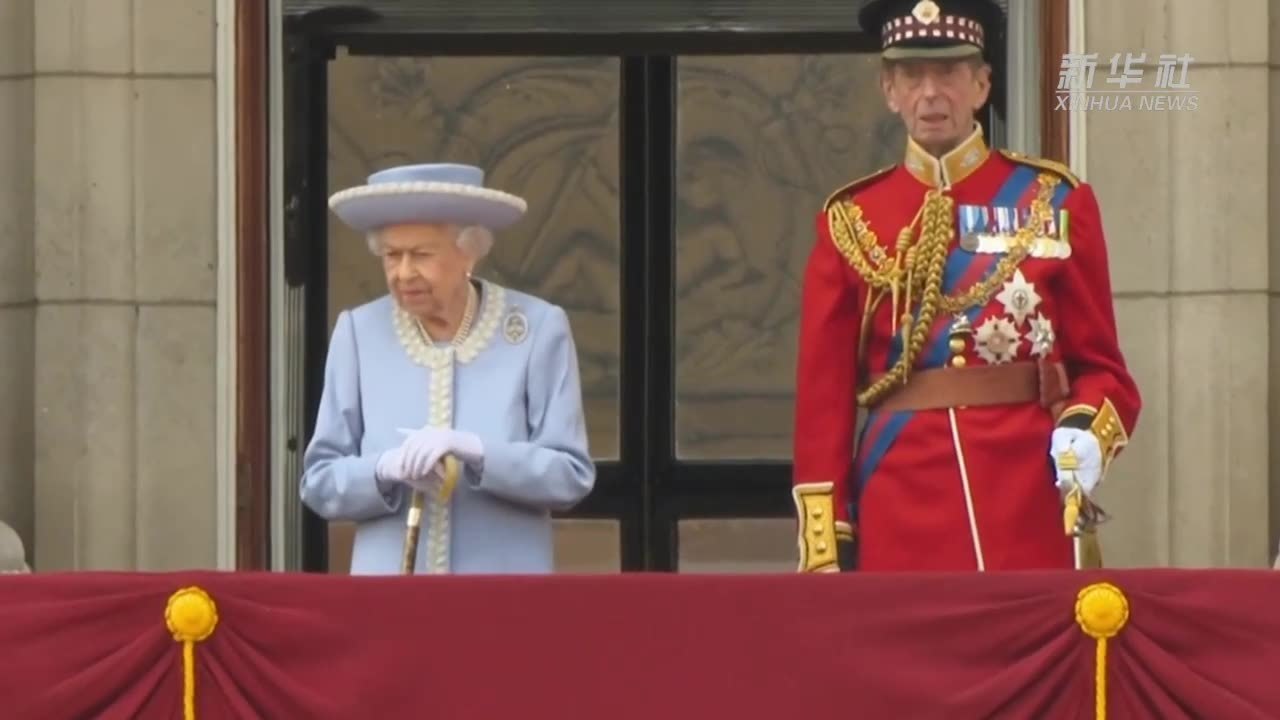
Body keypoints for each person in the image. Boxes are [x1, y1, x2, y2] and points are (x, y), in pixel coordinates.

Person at [791, 0, 1140, 573]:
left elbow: (1105, 371)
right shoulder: (852, 220)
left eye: (949, 73)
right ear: (889, 90)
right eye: (912, 75)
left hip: (1024, 501)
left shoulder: (1054, 201)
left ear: (981, 85)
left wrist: (1083, 432)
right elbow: (822, 406)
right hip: (898, 504)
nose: (931, 93)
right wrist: (828, 541)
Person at [301, 163, 596, 575]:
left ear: (468, 252)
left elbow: (570, 476)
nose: (403, 273)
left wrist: (477, 452)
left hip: (502, 596)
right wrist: (384, 470)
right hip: (390, 600)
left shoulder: (537, 329)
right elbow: (319, 482)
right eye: (391, 256)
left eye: (421, 254)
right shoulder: (358, 332)